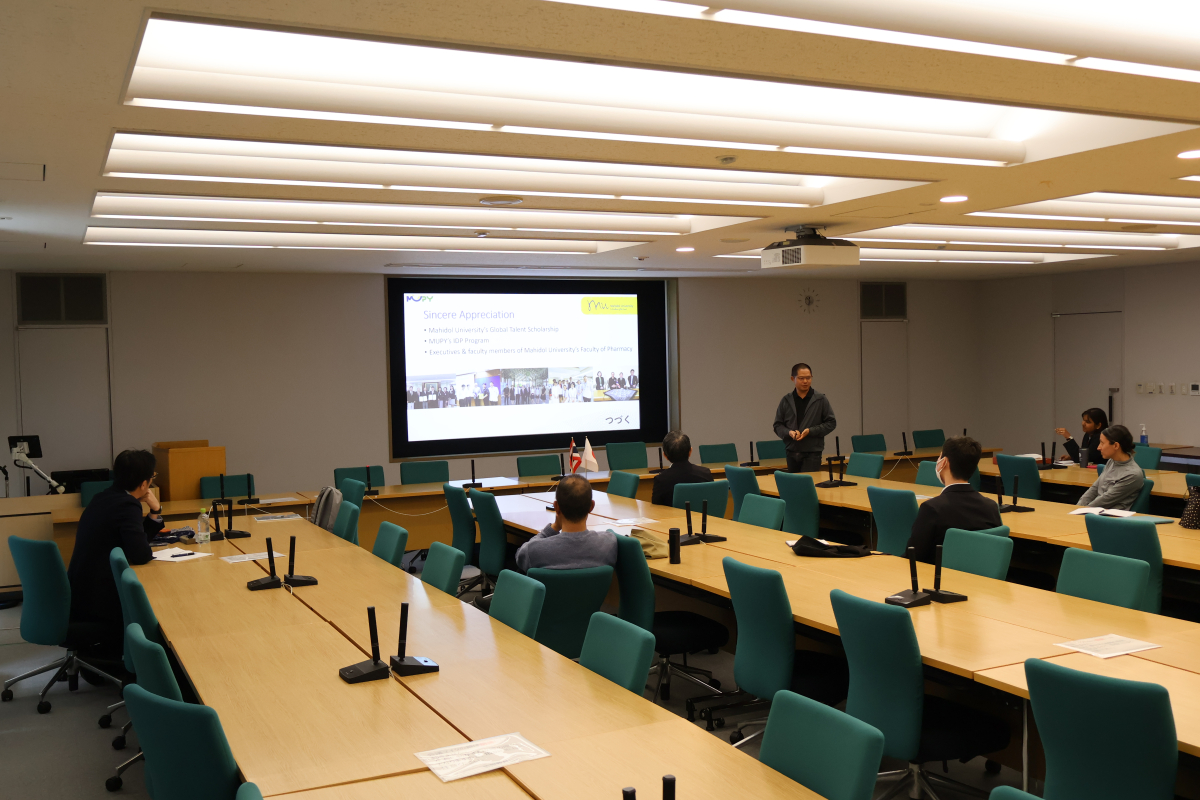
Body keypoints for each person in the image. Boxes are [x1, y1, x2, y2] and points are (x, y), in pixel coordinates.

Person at [67, 449, 166, 660]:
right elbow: (140, 555)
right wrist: (155, 510)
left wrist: (154, 512)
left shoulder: (103, 497)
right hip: (99, 600)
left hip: (81, 591)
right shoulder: (127, 505)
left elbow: (134, 542)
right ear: (144, 484)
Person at [906, 437, 1003, 563]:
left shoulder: (932, 509)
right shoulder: (991, 507)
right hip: (977, 573)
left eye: (940, 457)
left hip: (937, 574)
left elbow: (913, 556)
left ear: (944, 462)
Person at [515, 475, 618, 571]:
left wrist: (554, 527)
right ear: (591, 506)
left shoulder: (534, 551)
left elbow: (520, 556)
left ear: (556, 507)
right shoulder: (609, 543)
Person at [773, 362, 837, 474]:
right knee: (793, 483)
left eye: (808, 378)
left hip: (812, 452)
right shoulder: (786, 400)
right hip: (791, 451)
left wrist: (810, 431)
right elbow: (777, 425)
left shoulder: (820, 399)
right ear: (792, 379)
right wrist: (789, 433)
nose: (805, 381)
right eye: (801, 378)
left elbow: (831, 423)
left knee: (808, 483)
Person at [1078, 425, 1145, 510]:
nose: (1098, 447)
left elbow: (1104, 501)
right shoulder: (1111, 461)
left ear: (1116, 446)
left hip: (1109, 516)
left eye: (1102, 443)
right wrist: (1078, 506)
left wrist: (1082, 510)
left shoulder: (1132, 474)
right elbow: (1094, 489)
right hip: (1095, 512)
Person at [651, 430, 714, 506]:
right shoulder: (705, 473)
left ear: (665, 456)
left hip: (673, 514)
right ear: (690, 451)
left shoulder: (661, 480)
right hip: (702, 514)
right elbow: (712, 501)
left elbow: (656, 508)